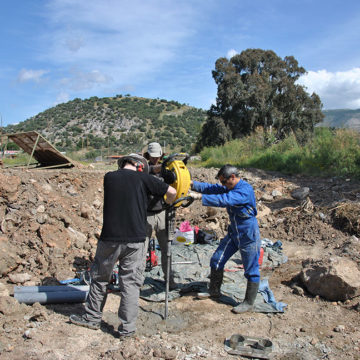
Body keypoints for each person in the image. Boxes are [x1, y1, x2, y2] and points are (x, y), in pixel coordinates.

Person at [70, 154, 176, 337]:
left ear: (122, 164)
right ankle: (127, 329)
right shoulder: (145, 178)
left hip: (109, 238)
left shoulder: (109, 177)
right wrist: (164, 202)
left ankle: (93, 318)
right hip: (136, 239)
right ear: (140, 167)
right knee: (131, 284)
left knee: (100, 278)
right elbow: (172, 193)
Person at [188, 164, 261, 313]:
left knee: (251, 269)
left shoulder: (244, 190)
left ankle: (248, 302)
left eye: (224, 182)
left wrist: (200, 197)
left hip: (248, 234)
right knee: (216, 259)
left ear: (233, 177)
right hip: (234, 232)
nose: (222, 185)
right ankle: (214, 290)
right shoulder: (230, 187)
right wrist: (192, 184)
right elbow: (213, 188)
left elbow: (224, 199)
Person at [143, 142, 177, 289]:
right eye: (153, 157)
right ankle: (136, 282)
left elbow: (174, 178)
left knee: (166, 249)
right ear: (148, 155)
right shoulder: (143, 168)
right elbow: (144, 172)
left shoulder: (164, 170)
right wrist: (156, 168)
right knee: (141, 250)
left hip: (162, 212)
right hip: (146, 214)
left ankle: (169, 280)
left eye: (158, 157)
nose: (156, 159)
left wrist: (168, 169)